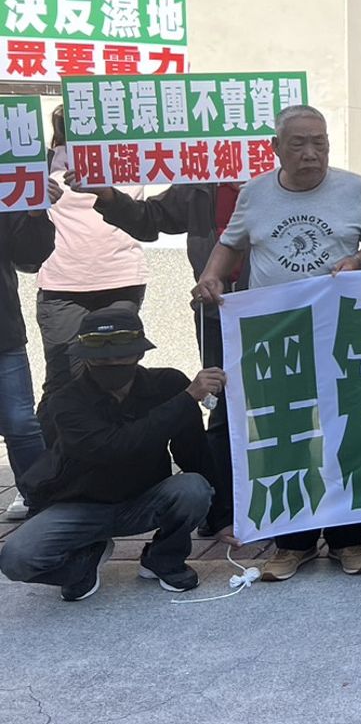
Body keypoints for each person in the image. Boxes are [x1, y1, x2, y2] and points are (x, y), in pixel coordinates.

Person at [192, 105, 361, 581]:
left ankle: (349, 539)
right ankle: (292, 540)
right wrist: (212, 275)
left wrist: (358, 262)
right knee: (286, 435)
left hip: (343, 328)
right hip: (276, 335)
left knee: (348, 432)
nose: (311, 153)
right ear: (276, 147)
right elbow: (232, 243)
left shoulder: (355, 189)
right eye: (298, 143)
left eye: (320, 142)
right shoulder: (254, 193)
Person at [0, 309, 220, 602]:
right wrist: (185, 400)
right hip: (80, 505)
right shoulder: (65, 400)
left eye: (120, 356)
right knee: (16, 559)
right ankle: (83, 563)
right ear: (86, 358)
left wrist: (222, 518)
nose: (111, 363)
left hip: (145, 499)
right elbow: (112, 448)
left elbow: (194, 453)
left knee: (194, 488)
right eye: (101, 359)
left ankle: (163, 559)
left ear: (139, 354)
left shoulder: (168, 384)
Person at [79, 176, 244, 537]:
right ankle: (223, 511)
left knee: (285, 408)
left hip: (279, 312)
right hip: (217, 313)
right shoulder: (202, 182)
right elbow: (151, 219)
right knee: (222, 410)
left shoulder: (279, 183)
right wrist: (109, 197)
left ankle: (289, 512)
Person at [36, 106, 148, 399]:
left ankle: (119, 430)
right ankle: (57, 431)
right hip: (62, 283)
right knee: (64, 379)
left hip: (121, 278)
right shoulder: (44, 162)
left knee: (118, 377)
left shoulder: (130, 153)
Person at [0, 191, 56, 522]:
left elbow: (29, 256)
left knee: (21, 425)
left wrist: (35, 214)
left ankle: (49, 509)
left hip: (3, 332)